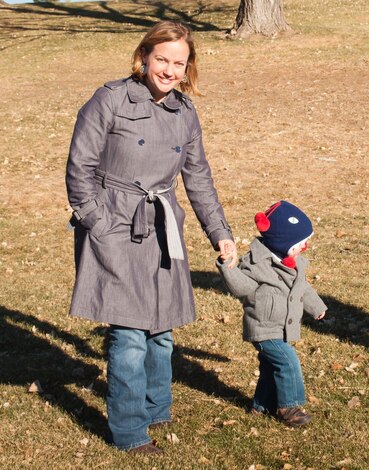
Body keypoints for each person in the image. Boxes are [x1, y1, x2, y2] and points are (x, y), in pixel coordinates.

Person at [66, 21, 237, 453]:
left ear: (187, 68)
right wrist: (97, 221)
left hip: (163, 226)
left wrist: (220, 232)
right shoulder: (110, 98)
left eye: (178, 63)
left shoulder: (185, 112)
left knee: (162, 325)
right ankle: (127, 431)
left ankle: (155, 406)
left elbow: (198, 178)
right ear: (143, 57)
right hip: (115, 223)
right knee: (128, 332)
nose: (168, 69)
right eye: (162, 59)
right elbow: (80, 166)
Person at [217, 201, 327, 426]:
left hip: (281, 326)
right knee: (287, 361)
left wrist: (317, 307)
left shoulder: (293, 265)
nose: (304, 248)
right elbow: (241, 287)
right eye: (300, 244)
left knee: (270, 367)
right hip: (263, 326)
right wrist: (227, 267)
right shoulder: (256, 265)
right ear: (282, 242)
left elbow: (302, 289)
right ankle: (288, 407)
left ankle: (260, 405)